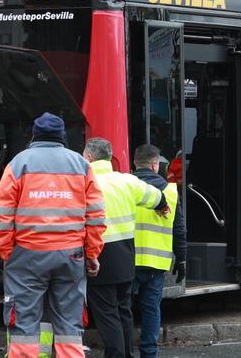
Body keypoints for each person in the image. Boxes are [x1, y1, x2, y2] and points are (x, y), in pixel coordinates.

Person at [0, 113, 105, 358]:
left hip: (26, 255)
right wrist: (92, 253)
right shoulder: (81, 164)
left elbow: (2, 213)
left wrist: (7, 251)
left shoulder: (19, 163)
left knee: (24, 327)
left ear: (34, 135)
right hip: (71, 255)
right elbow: (96, 215)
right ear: (62, 136)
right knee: (69, 329)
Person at [83, 138, 168, 358]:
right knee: (123, 311)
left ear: (89, 157)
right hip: (126, 257)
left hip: (99, 258)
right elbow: (156, 196)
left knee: (107, 314)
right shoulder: (127, 181)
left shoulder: (85, 182)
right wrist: (162, 206)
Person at [131, 144, 186, 358]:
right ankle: (149, 353)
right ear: (155, 165)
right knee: (151, 310)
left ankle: (124, 350)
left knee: (123, 310)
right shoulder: (169, 190)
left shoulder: (127, 187)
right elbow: (179, 229)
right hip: (156, 264)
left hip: (129, 261)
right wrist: (181, 259)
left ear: (135, 164)